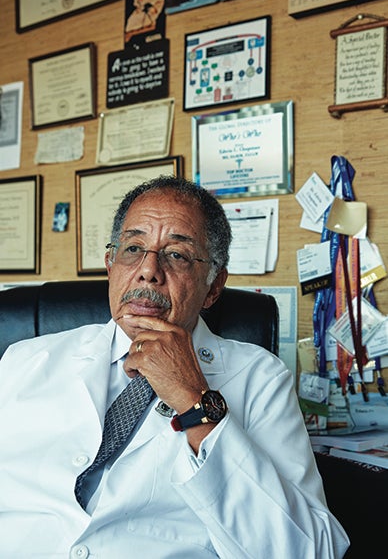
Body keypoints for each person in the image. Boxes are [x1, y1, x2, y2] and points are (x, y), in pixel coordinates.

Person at [0, 176, 349, 558]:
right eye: (133, 248)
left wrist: (193, 399)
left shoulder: (260, 378)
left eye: (177, 255)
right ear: (111, 266)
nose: (149, 270)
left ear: (214, 286)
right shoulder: (25, 360)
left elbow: (313, 550)